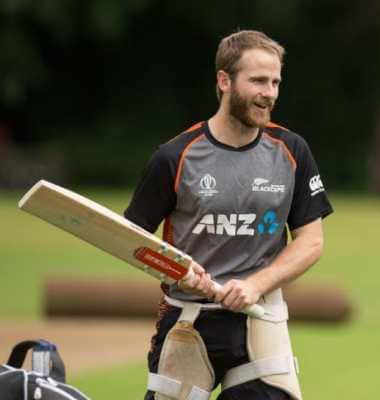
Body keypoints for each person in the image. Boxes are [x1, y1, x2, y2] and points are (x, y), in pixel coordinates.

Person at [124, 30, 332, 400]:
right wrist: (179, 272)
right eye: (258, 81)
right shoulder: (174, 157)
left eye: (275, 82)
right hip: (187, 319)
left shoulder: (292, 150)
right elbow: (130, 239)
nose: (269, 92)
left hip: (260, 316)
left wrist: (255, 284)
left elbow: (312, 241)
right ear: (224, 81)